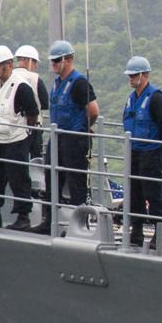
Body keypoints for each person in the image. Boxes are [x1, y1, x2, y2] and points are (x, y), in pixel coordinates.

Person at [30, 40, 98, 235]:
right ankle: (49, 220)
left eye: (56, 60)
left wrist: (83, 129)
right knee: (52, 179)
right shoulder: (57, 84)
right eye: (52, 61)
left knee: (76, 182)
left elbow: (93, 110)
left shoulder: (79, 83)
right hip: (57, 138)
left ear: (67, 60)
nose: (53, 65)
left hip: (73, 140)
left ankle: (80, 226)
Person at [0, 45, 39, 230]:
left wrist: (25, 134)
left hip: (15, 139)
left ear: (8, 65)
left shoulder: (21, 86)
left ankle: (23, 217)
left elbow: (33, 113)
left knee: (19, 178)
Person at [121, 55, 162, 247]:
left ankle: (159, 232)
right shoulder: (131, 99)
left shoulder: (156, 97)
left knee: (152, 191)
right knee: (135, 191)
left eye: (134, 75)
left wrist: (156, 144)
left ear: (143, 75)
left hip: (150, 152)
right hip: (134, 151)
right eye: (130, 75)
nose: (131, 79)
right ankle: (137, 229)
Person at [14, 44, 48, 161]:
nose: (35, 66)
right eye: (34, 62)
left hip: (12, 126)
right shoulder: (35, 78)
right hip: (33, 126)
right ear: (28, 60)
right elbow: (45, 103)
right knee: (35, 159)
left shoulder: (9, 77)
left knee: (16, 158)